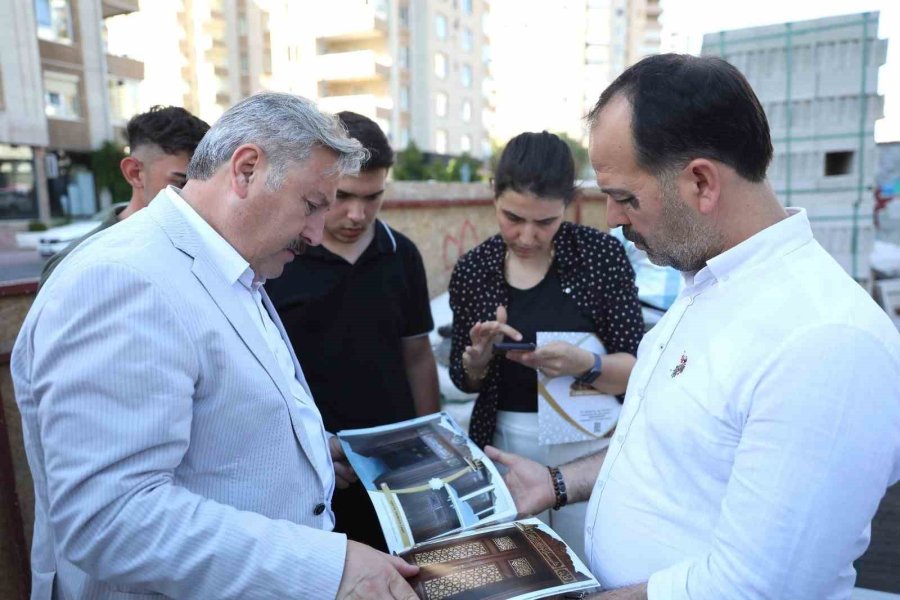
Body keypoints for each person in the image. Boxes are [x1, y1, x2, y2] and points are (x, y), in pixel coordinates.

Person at [486, 54, 900, 600]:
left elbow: (762, 587)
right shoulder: (706, 279)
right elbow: (667, 448)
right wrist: (559, 483)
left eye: (624, 197)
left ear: (701, 182)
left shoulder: (825, 341)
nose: (612, 218)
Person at [12, 92, 420, 600]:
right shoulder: (123, 280)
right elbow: (112, 519)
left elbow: (218, 423)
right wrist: (327, 567)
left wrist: (313, 452)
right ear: (246, 169)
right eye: (312, 206)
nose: (317, 233)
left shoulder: (229, 266)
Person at [448, 131, 644, 555]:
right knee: (520, 563)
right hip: (504, 437)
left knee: (593, 558)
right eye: (513, 218)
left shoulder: (600, 256)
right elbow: (464, 381)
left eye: (545, 222)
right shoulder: (473, 269)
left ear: (569, 207)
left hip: (590, 440)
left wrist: (585, 364)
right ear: (492, 196)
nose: (528, 236)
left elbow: (640, 372)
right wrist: (478, 359)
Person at [265, 111, 439, 550]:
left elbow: (417, 353)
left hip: (392, 470)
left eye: (373, 197)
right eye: (343, 196)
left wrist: (429, 443)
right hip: (308, 468)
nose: (358, 213)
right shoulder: (277, 260)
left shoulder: (403, 255)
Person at [40, 105, 210, 286]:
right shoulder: (75, 264)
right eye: (181, 183)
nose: (195, 196)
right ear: (134, 173)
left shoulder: (210, 250)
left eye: (204, 186)